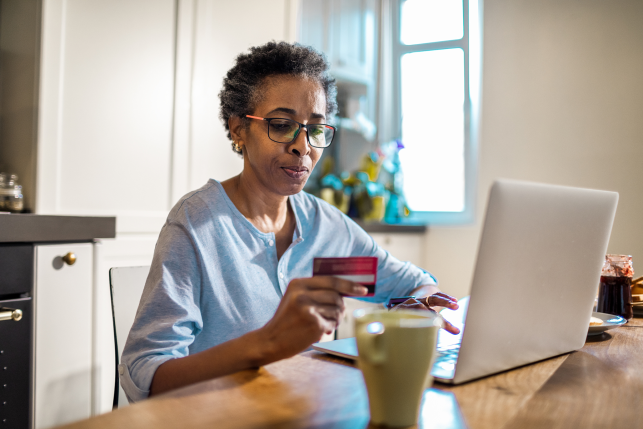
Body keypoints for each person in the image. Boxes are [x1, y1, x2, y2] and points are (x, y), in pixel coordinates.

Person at [120, 41, 459, 403]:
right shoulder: (197, 225)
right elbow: (146, 374)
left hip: (301, 410)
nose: (303, 147)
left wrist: (418, 303)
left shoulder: (326, 228)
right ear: (238, 129)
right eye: (281, 125)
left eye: (315, 129)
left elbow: (413, 285)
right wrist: (267, 343)